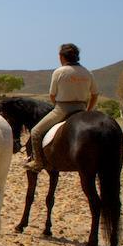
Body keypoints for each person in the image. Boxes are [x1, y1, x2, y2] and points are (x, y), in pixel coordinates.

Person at [25, 43, 99, 172]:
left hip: (62, 109)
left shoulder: (59, 72)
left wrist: (57, 105)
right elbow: (95, 94)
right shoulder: (87, 72)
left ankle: (37, 162)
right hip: (81, 108)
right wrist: (88, 110)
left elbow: (52, 95)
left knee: (36, 132)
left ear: (62, 57)